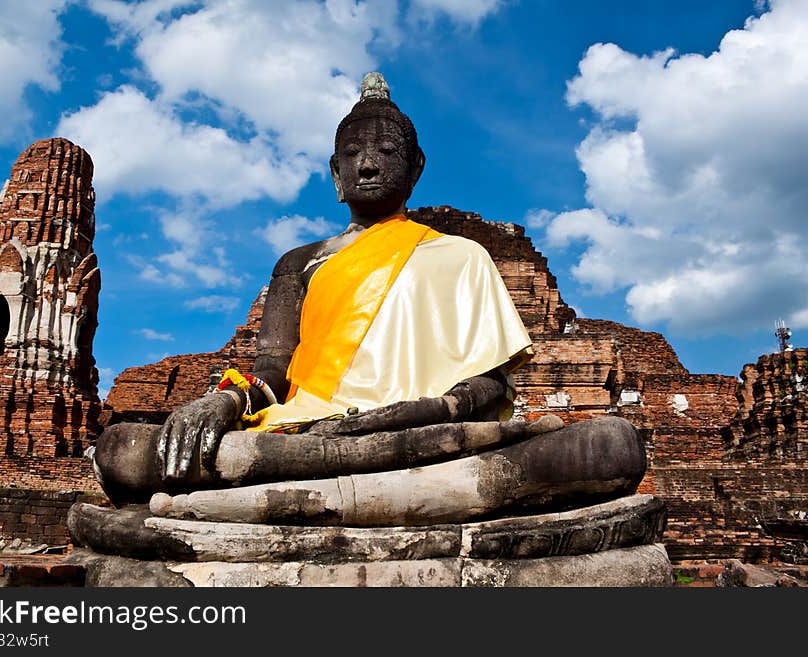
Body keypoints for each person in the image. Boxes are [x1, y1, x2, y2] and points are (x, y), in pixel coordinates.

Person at [94, 73, 642, 512]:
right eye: (353, 153)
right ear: (335, 173)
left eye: (385, 149)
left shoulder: (461, 256)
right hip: (306, 434)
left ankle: (282, 505)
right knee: (124, 451)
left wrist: (435, 409)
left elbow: (490, 384)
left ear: (416, 167)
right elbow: (274, 375)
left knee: (609, 447)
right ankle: (403, 501)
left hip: (423, 435)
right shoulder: (300, 263)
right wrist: (225, 399)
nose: (370, 162)